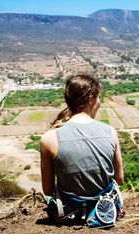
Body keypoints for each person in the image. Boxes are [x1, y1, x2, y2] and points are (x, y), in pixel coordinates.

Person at [40, 74, 124, 225]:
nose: (99, 102)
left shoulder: (48, 139)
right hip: (104, 211)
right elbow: (119, 179)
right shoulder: (110, 132)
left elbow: (47, 190)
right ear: (91, 99)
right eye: (99, 98)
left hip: (67, 213)